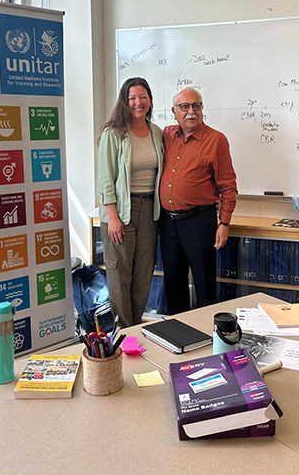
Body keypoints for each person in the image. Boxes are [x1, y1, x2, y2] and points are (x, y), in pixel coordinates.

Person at [159, 87, 237, 314]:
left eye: (196, 106)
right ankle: (178, 330)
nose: (191, 112)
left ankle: (204, 329)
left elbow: (228, 186)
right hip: (168, 222)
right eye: (184, 106)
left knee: (203, 282)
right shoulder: (166, 135)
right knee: (173, 281)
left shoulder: (216, 140)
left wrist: (224, 223)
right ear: (174, 111)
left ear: (202, 109)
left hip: (199, 220)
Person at [96, 77, 164, 327]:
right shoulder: (113, 134)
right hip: (120, 211)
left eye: (143, 97)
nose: (138, 102)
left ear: (150, 100)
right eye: (132, 98)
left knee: (143, 276)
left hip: (149, 212)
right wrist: (112, 217)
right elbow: (105, 179)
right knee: (120, 277)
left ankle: (136, 326)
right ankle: (124, 333)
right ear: (124, 102)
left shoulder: (156, 133)